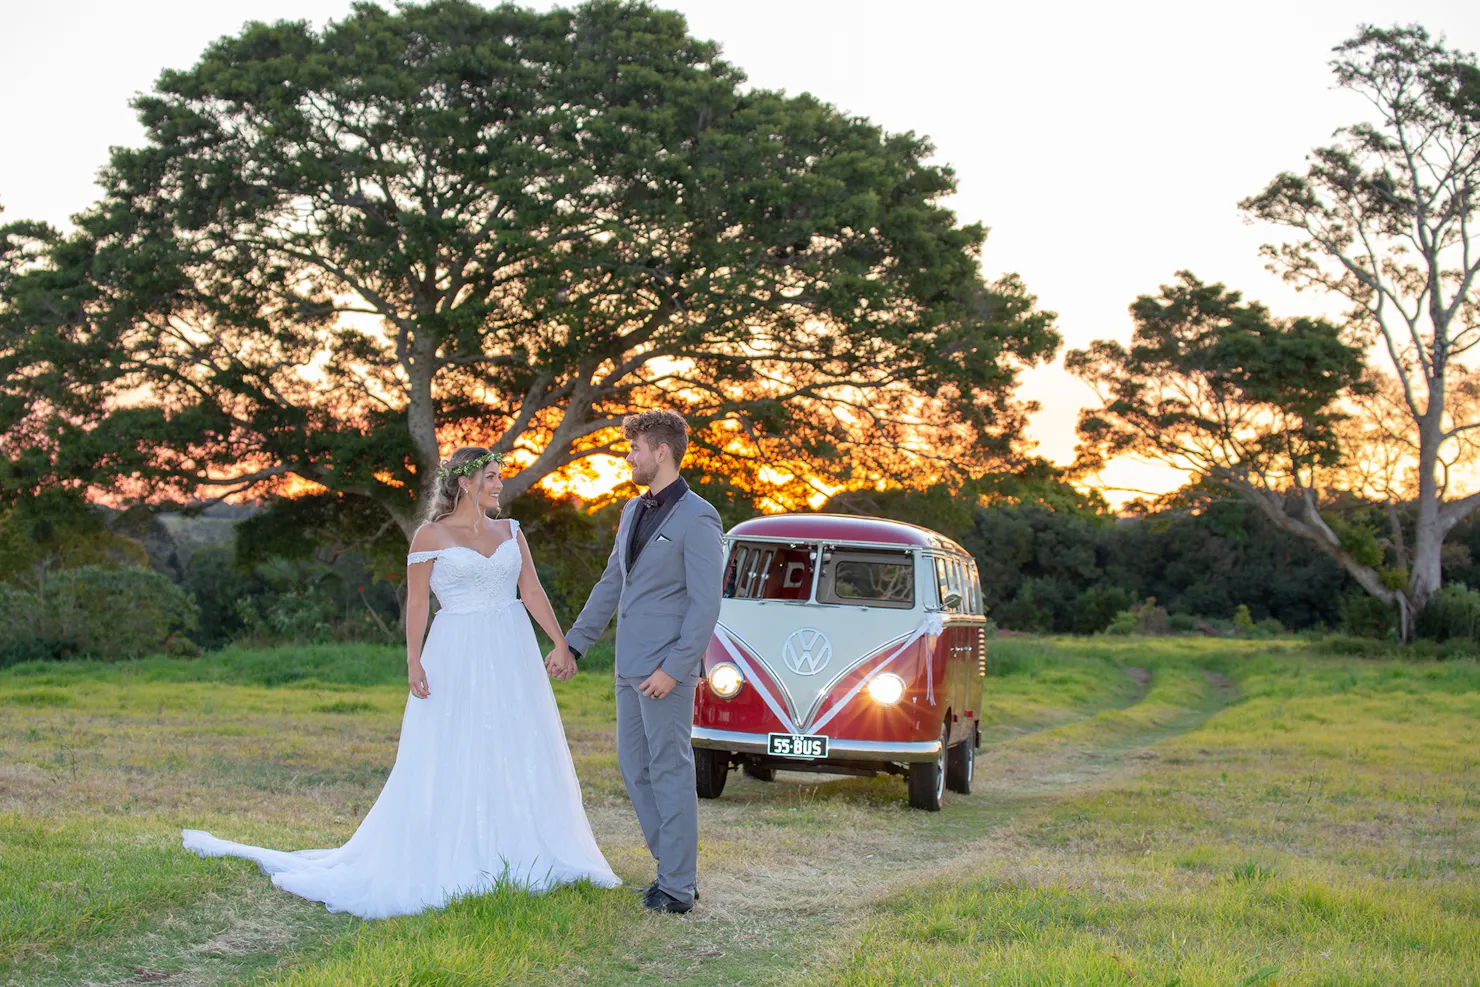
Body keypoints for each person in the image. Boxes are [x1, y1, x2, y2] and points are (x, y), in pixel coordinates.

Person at [182, 446, 620, 919]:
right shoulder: (429, 535)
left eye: (499, 476)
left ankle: (522, 847)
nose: (499, 485)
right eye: (492, 477)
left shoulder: (511, 531)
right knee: (455, 744)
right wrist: (413, 661)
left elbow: (530, 589)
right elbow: (417, 603)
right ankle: (455, 848)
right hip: (456, 650)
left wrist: (559, 643)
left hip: (511, 650)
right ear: (466, 483)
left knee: (517, 741)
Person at [551, 410, 724, 914]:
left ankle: (676, 887)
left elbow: (705, 604)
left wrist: (675, 668)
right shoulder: (631, 510)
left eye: (635, 449)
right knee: (635, 768)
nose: (629, 457)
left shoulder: (700, 518)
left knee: (669, 769)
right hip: (628, 667)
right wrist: (574, 644)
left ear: (661, 452)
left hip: (666, 671)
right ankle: (674, 871)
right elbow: (612, 583)